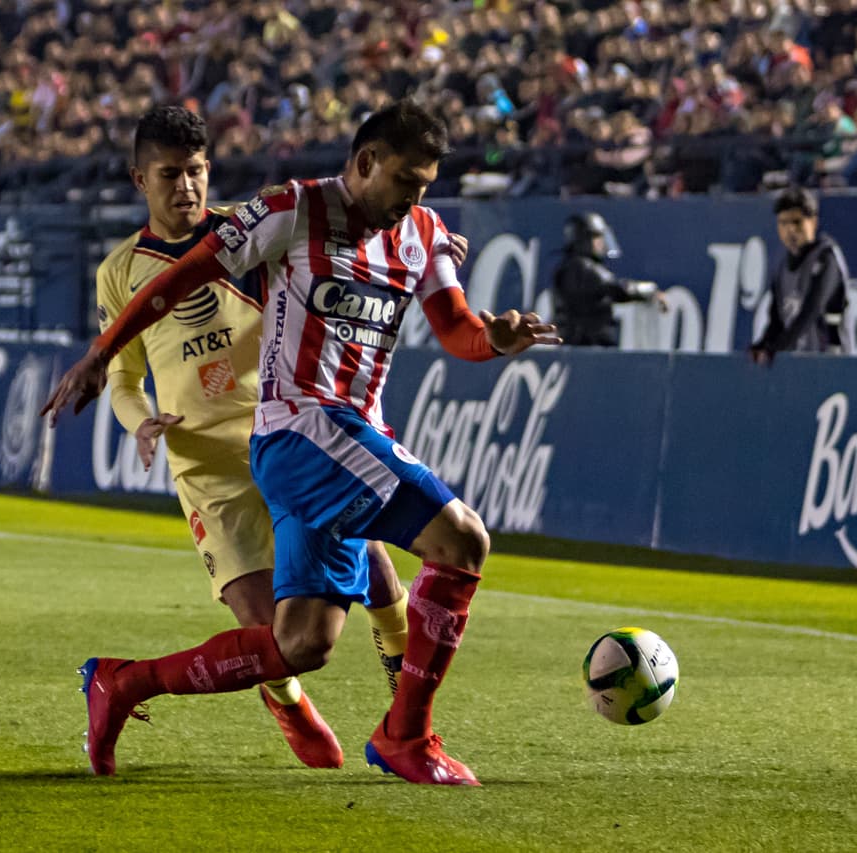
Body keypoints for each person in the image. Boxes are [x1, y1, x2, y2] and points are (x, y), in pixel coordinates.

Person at [44, 100, 560, 785]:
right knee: (461, 539)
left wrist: (494, 339)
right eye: (406, 180)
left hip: (344, 433)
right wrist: (102, 353)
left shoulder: (424, 232)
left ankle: (123, 681)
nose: (415, 197)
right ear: (366, 162)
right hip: (299, 429)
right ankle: (407, 735)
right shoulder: (292, 210)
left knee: (301, 643)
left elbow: (457, 329)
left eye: (427, 185)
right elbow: (180, 277)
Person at [750, 188, 848, 365]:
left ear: (813, 221)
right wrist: (763, 344)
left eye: (797, 222)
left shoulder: (826, 259)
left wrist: (776, 349)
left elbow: (811, 310)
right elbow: (777, 322)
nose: (791, 230)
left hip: (831, 365)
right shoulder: (782, 268)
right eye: (783, 223)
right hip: (800, 366)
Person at [551, 212, 666, 347]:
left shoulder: (567, 266)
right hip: (588, 346)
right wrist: (650, 290)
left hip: (574, 344)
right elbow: (617, 289)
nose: (602, 243)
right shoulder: (583, 267)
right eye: (597, 237)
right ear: (585, 239)